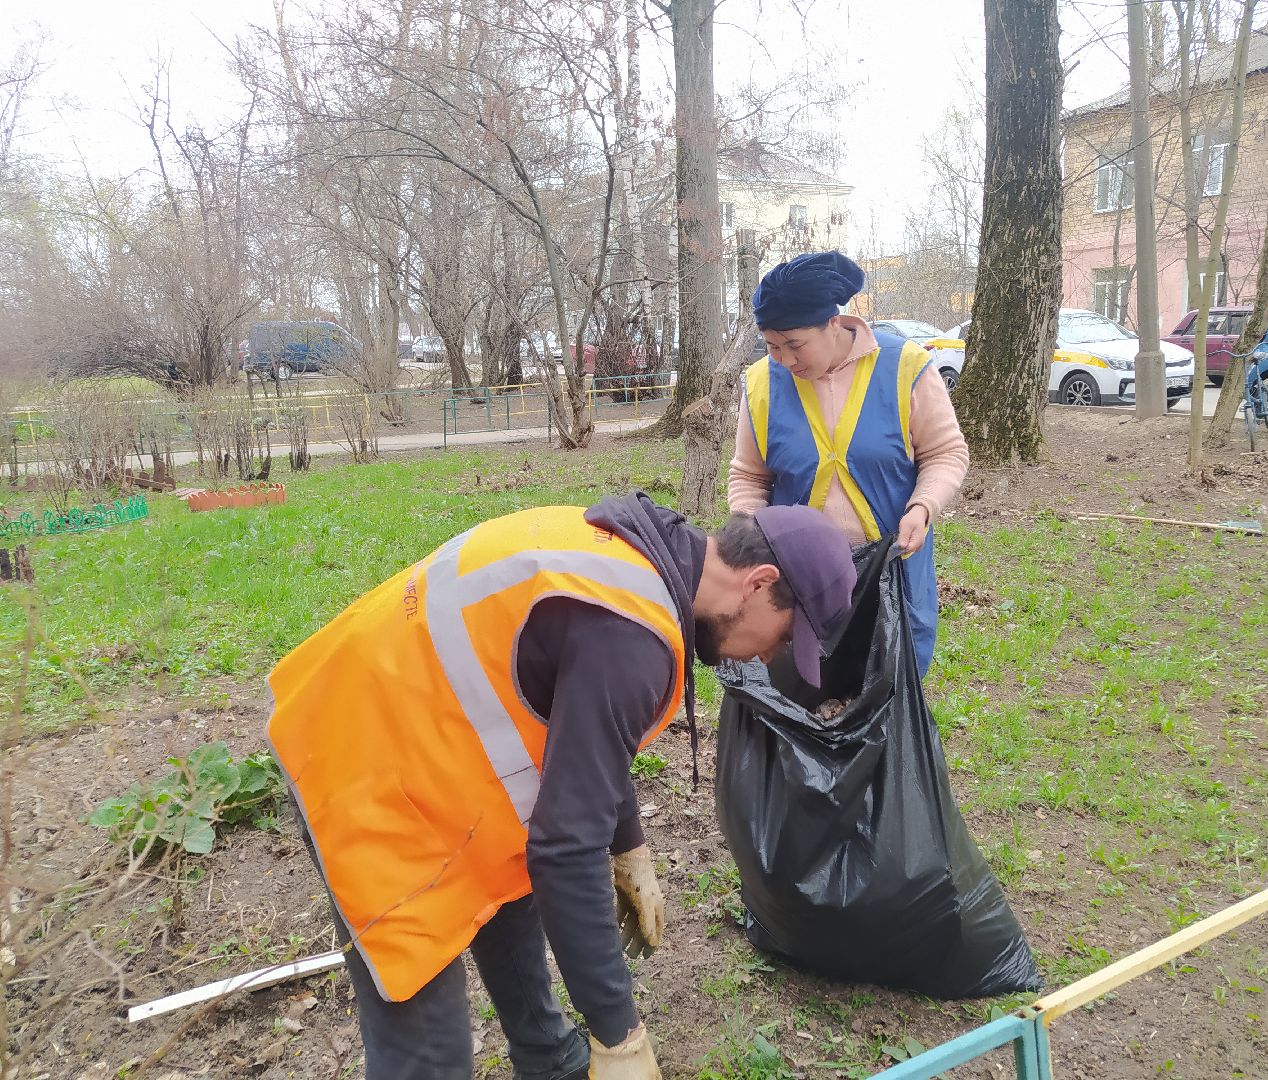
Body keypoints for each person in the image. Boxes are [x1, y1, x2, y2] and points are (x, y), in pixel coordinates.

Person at [266, 493, 856, 1080]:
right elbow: (564, 849)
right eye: (785, 637)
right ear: (758, 582)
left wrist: (627, 842)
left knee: (508, 878)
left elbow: (579, 723)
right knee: (428, 1054)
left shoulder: (645, 550)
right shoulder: (630, 637)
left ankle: (550, 1060)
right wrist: (619, 1034)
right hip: (360, 758)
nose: (772, 655)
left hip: (412, 729)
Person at [728, 251, 970, 676]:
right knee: (810, 694)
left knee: (890, 691)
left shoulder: (906, 366)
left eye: (794, 345)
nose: (783, 359)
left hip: (892, 571)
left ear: (833, 325)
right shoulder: (762, 383)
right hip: (802, 580)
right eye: (771, 346)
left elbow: (945, 453)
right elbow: (749, 475)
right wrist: (751, 532)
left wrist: (923, 506)